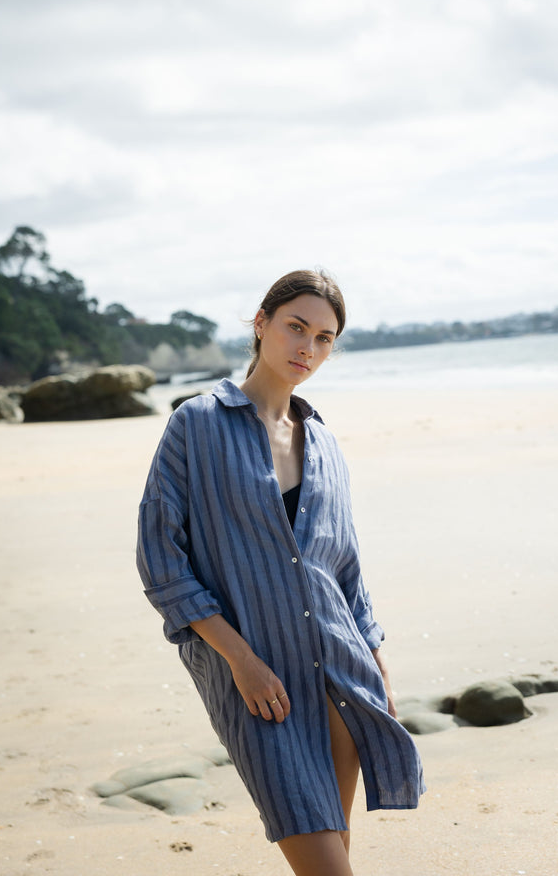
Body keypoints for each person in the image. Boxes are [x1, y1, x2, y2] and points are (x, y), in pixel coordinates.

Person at [137, 269, 424, 876]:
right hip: (259, 687)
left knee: (332, 862)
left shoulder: (324, 441)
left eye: (324, 338)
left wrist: (380, 673)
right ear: (262, 323)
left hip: (342, 679)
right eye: (296, 327)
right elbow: (161, 559)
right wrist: (241, 660)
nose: (308, 349)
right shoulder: (196, 425)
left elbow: (345, 569)